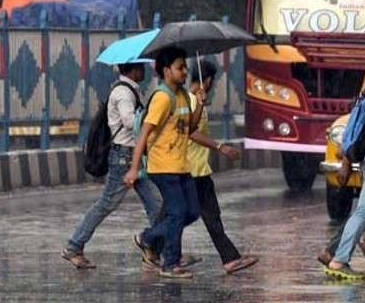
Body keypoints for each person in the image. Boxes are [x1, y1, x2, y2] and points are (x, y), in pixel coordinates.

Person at [61, 62, 162, 269]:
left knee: (156, 205)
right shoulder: (124, 93)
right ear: (133, 70)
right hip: (124, 157)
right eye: (141, 67)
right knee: (107, 203)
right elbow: (128, 121)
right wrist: (151, 117)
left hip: (132, 157)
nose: (144, 70)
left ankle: (158, 250)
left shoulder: (129, 90)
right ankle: (74, 246)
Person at [126, 46, 205, 279]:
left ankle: (148, 238)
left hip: (181, 165)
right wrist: (133, 168)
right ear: (166, 70)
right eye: (180, 67)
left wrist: (199, 103)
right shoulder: (162, 98)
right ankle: (170, 263)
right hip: (162, 166)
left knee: (191, 211)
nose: (185, 72)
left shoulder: (181, 95)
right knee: (178, 212)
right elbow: (144, 134)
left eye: (185, 67)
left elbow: (189, 127)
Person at [186, 60, 258, 274]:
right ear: (207, 80)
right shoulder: (190, 101)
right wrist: (220, 147)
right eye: (212, 82)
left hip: (198, 167)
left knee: (198, 214)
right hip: (193, 168)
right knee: (199, 214)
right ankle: (150, 240)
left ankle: (229, 257)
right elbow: (191, 131)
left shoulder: (196, 101)